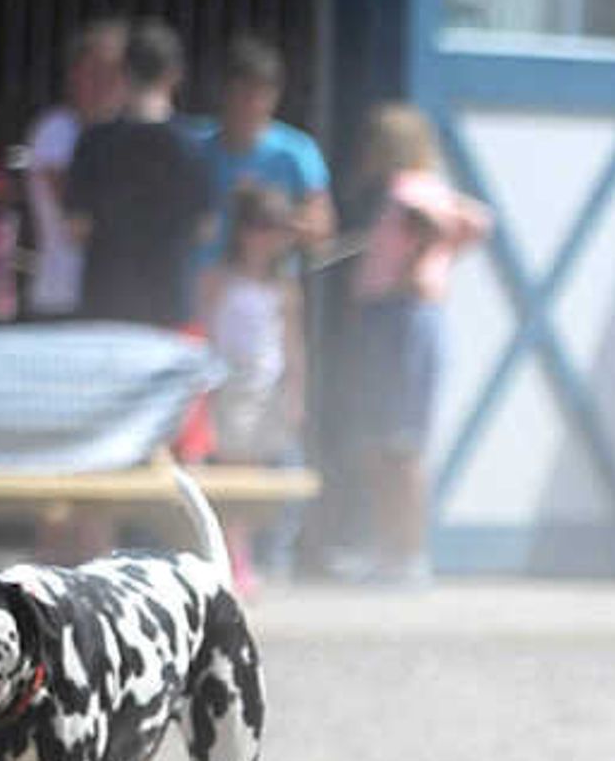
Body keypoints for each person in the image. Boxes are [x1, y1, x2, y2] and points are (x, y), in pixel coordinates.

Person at [325, 102, 494, 585]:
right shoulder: (427, 189)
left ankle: (406, 553)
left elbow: (454, 225)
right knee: (390, 442)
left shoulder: (407, 191)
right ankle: (394, 551)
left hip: (398, 319)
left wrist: (414, 267)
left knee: (396, 443)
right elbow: (476, 221)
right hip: (399, 317)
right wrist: (436, 259)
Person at [65, 20, 220, 331]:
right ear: (174, 74)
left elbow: (76, 229)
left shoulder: (93, 141)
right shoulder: (194, 146)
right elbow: (207, 229)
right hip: (170, 303)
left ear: (124, 72)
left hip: (106, 302)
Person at [199, 182, 311, 577]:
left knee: (256, 478)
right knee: (232, 475)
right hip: (227, 386)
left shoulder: (284, 287)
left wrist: (296, 394)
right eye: (262, 227)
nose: (269, 239)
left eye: (278, 229)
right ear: (243, 231)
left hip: (266, 392)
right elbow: (205, 334)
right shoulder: (219, 278)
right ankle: (233, 557)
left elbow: (293, 346)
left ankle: (244, 554)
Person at [194, 34, 337, 275]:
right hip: (205, 288)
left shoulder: (297, 152)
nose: (252, 104)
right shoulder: (195, 149)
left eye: (261, 94)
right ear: (223, 92)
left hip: (268, 293)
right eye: (242, 93)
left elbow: (322, 227)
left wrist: (271, 218)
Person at [18, 18, 129, 320]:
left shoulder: (125, 138)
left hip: (115, 298)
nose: (104, 84)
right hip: (62, 300)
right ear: (74, 76)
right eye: (94, 72)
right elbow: (78, 219)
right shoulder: (55, 129)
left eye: (114, 74)